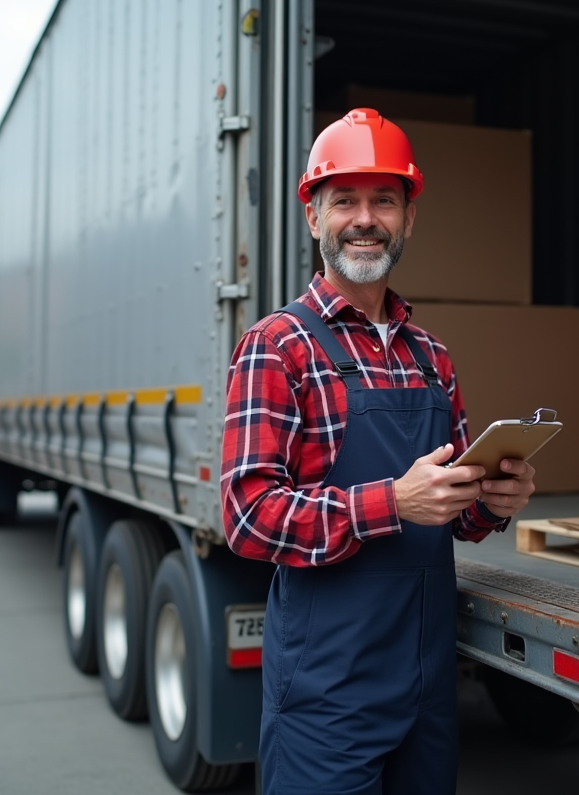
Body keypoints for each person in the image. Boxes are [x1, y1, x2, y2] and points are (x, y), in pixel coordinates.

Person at [220, 108, 537, 795]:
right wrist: (391, 502)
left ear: (408, 218)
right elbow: (246, 517)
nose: (365, 218)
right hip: (326, 695)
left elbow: (453, 516)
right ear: (314, 217)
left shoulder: (433, 358)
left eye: (384, 201)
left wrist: (492, 501)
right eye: (345, 200)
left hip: (426, 687)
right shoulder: (278, 346)